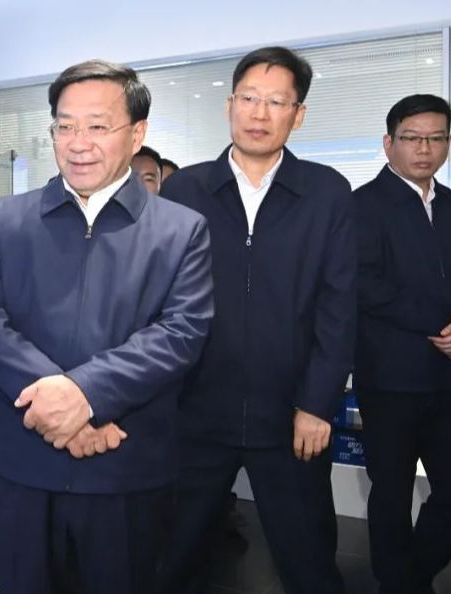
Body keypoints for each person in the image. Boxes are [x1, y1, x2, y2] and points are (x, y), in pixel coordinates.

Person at [0, 59, 213, 594]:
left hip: (125, 468)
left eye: (97, 126)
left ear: (137, 134)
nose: (78, 143)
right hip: (24, 467)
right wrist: (65, 408)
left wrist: (87, 395)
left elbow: (181, 333)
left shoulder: (180, 230)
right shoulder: (6, 221)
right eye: (65, 126)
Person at [158, 46, 355, 594]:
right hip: (196, 414)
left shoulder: (326, 192)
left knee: (309, 563)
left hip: (291, 419)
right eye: (248, 98)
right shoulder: (184, 190)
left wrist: (317, 403)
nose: (259, 114)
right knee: (172, 559)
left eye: (276, 102)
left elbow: (339, 306)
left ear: (299, 114)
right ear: (229, 105)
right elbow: (160, 302)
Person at [354, 94, 451, 594]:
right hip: (391, 379)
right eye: (412, 138)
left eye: (436, 138)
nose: (425, 148)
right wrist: (442, 323)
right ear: (389, 143)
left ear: (448, 142)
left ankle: (408, 578)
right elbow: (364, 283)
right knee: (392, 494)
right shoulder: (361, 205)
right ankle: (396, 583)